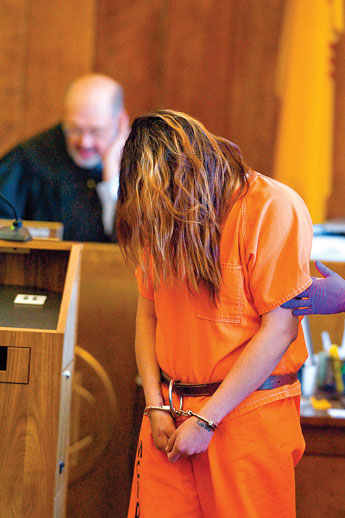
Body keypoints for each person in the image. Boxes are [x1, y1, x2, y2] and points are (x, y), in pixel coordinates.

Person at [116, 110, 313, 518]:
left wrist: (206, 421)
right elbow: (147, 316)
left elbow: (280, 330)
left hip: (246, 420)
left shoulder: (271, 206)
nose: (162, 210)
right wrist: (154, 406)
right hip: (167, 415)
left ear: (195, 172)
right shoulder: (160, 212)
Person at [0, 73, 129, 241]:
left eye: (96, 131)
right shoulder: (28, 160)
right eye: (74, 129)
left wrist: (111, 176)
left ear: (120, 122)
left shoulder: (139, 165)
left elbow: (126, 242)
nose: (85, 142)